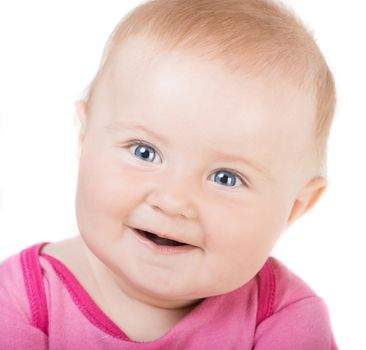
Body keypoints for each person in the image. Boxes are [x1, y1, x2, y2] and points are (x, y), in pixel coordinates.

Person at [0, 0, 339, 348]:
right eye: (144, 152)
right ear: (85, 139)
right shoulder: (18, 303)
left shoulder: (284, 320)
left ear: (296, 206)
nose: (173, 200)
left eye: (226, 177)